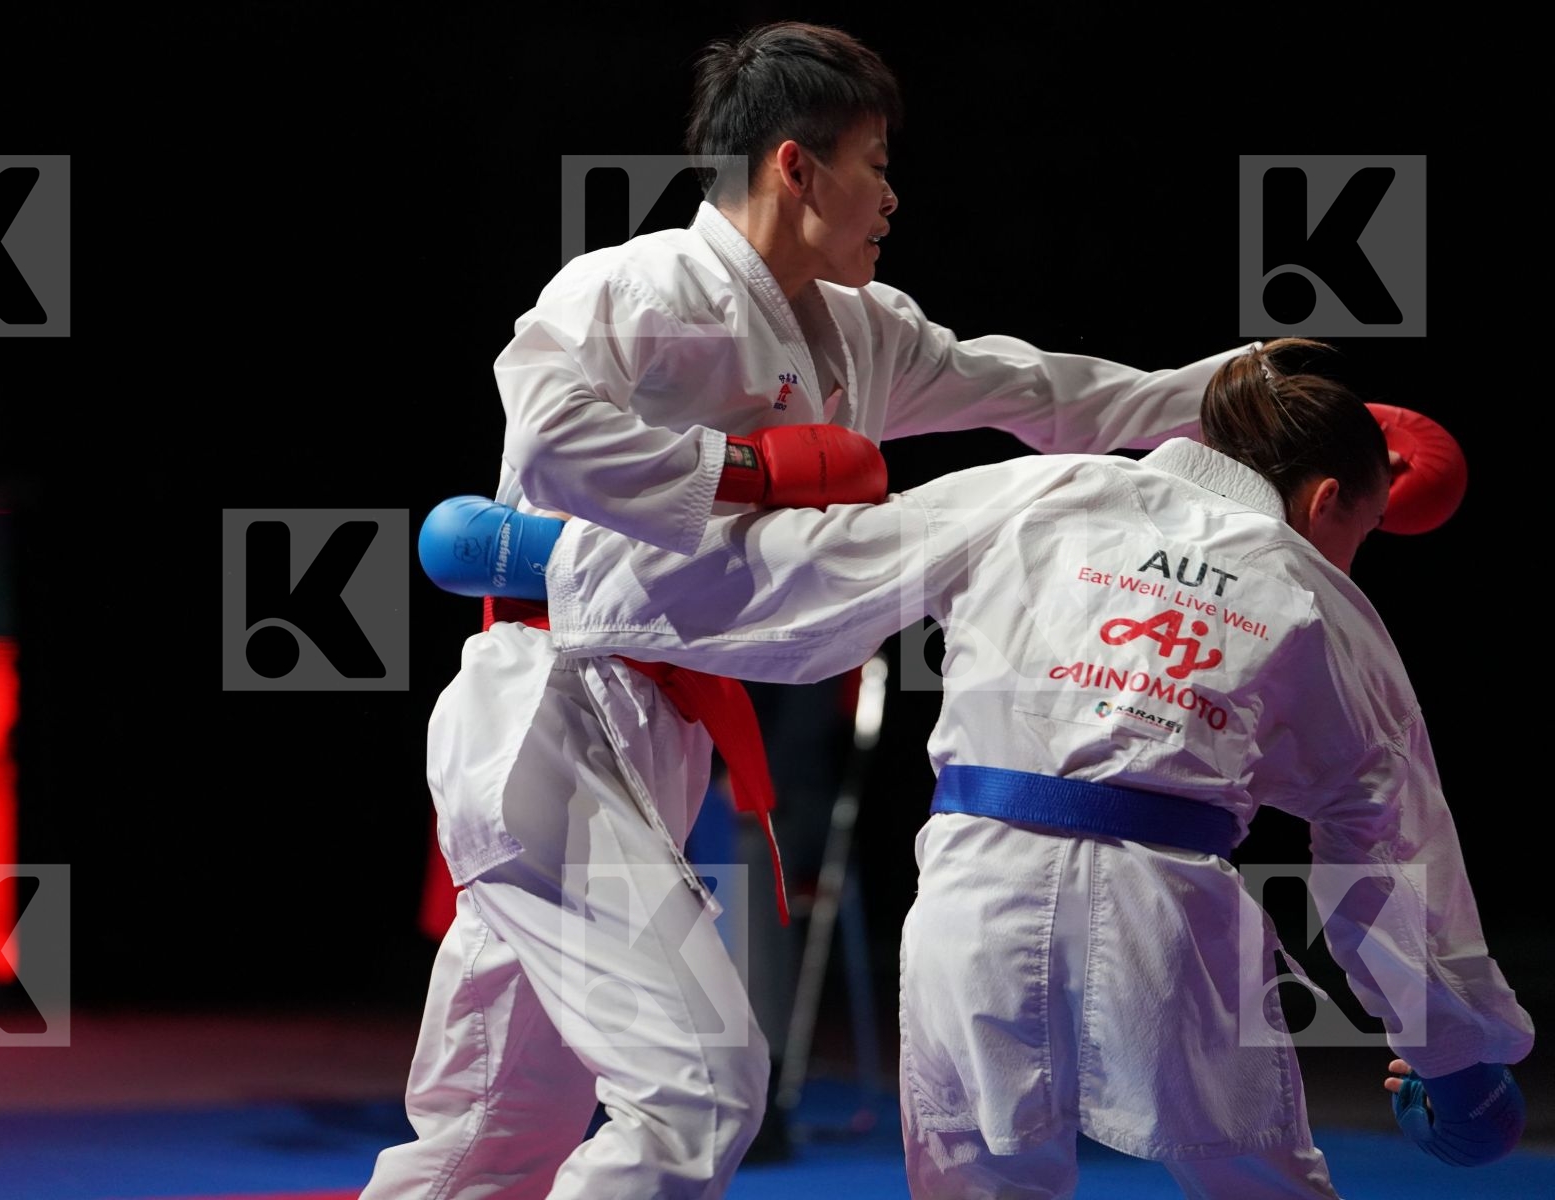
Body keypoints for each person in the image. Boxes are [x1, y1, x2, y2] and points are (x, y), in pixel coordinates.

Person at [370, 20, 1249, 1199]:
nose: (892, 194)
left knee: (494, 1131)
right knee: (700, 1090)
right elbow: (552, 435)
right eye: (875, 163)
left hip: (654, 730)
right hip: (547, 716)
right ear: (797, 165)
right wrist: (758, 472)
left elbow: (1043, 390)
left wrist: (1235, 392)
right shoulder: (643, 285)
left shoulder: (864, 334)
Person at [470, 338, 1533, 1196]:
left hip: (979, 884)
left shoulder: (1046, 490)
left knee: (980, 1183)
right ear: (1325, 502)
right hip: (1167, 909)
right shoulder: (1322, 598)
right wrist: (1453, 1055)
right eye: (1363, 524)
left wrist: (552, 561)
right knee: (1260, 1177)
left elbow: (811, 569)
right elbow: (1385, 843)